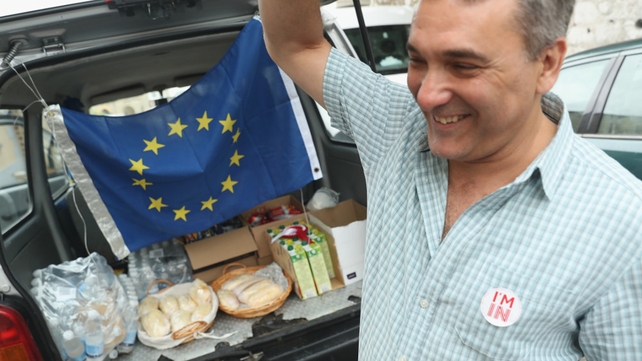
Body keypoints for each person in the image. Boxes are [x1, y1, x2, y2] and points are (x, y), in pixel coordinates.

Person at [258, 0, 642, 359]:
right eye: (417, 59)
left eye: (463, 66)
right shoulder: (395, 126)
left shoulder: (625, 227)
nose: (426, 96)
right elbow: (296, 44)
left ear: (547, 63)